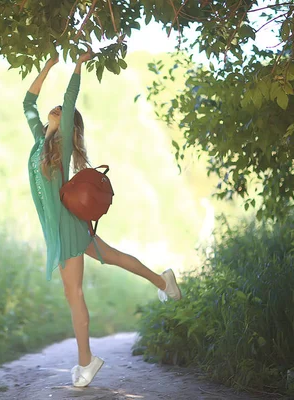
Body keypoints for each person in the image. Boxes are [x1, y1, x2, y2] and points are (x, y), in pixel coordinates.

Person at [23, 47, 182, 388]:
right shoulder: (41, 142)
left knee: (74, 294)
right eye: (54, 111)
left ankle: (86, 362)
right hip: (63, 227)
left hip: (66, 230)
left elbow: (70, 94)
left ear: (66, 124)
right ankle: (163, 281)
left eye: (61, 113)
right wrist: (48, 64)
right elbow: (26, 103)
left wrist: (78, 65)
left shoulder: (60, 147)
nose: (55, 111)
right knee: (111, 257)